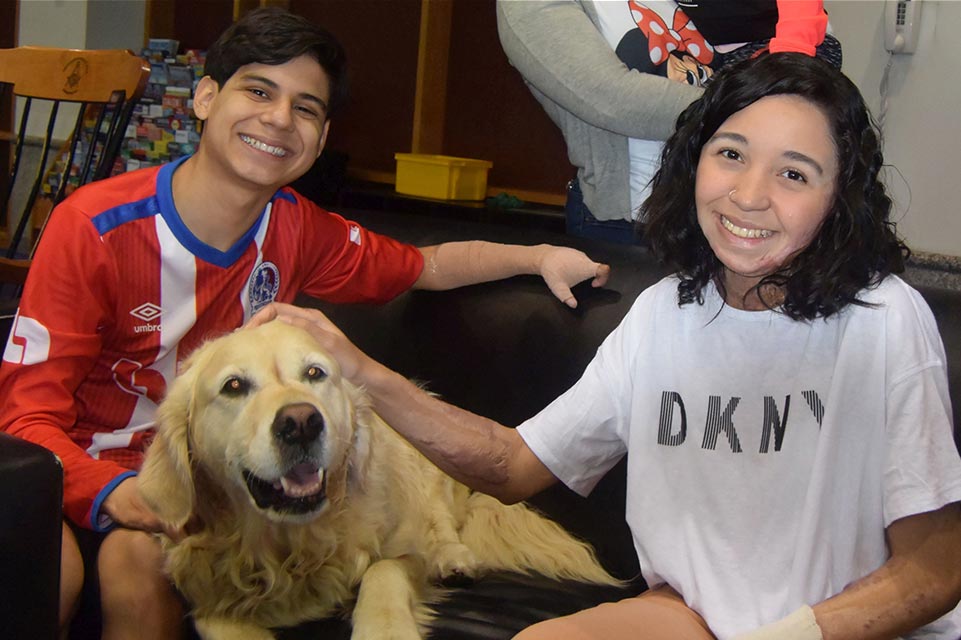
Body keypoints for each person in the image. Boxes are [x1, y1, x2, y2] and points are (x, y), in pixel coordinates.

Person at [256, 52, 961, 639]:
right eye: (730, 155)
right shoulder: (662, 314)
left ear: (837, 200)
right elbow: (510, 467)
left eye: (793, 174)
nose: (748, 195)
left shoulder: (881, 320)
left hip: (836, 628)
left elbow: (933, 572)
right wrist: (359, 372)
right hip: (691, 617)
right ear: (694, 167)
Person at [0, 7, 610, 639]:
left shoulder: (296, 226)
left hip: (226, 482)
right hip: (85, 469)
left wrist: (538, 255)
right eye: (258, 91)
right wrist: (111, 496)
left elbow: (424, 265)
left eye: (306, 108)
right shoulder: (93, 229)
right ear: (205, 98)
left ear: (318, 142)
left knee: (137, 564)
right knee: (56, 571)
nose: (278, 119)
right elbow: (26, 419)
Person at [496, 0, 840, 244]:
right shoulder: (528, 5)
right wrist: (759, 109)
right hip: (633, 222)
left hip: (728, 216)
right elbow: (612, 99)